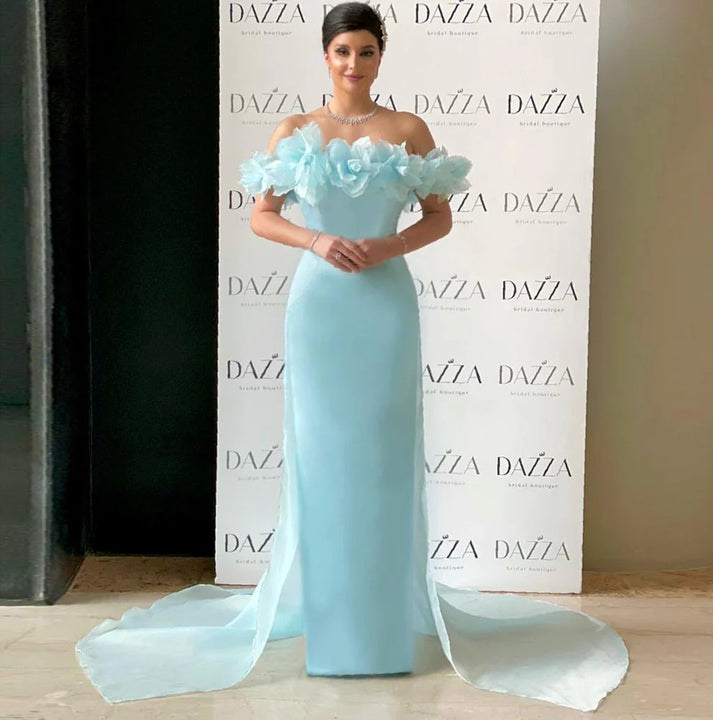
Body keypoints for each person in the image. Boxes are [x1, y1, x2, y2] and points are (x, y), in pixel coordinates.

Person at [75, 2, 629, 710]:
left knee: (382, 463)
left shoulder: (409, 130)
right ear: (325, 55)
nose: (354, 64)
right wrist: (316, 240)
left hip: (385, 308)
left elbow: (439, 216)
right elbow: (261, 214)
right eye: (343, 51)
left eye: (366, 51)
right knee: (324, 461)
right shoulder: (294, 130)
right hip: (321, 310)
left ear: (380, 55)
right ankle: (334, 633)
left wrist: (388, 245)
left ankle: (380, 634)